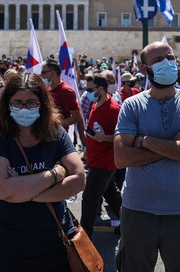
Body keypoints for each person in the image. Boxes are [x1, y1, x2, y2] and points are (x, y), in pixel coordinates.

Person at [113, 41, 180, 272]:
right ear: (145, 70)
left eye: (170, 57)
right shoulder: (131, 105)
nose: (167, 63)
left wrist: (144, 141)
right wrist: (175, 147)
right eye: (158, 60)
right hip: (137, 210)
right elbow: (121, 158)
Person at [0, 72, 85, 272]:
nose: (24, 108)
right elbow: (4, 191)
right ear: (7, 104)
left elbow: (79, 180)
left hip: (56, 247)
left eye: (31, 102)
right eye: (17, 102)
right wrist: (55, 174)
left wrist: (24, 190)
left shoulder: (56, 133)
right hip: (8, 250)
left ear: (42, 104)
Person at [80, 74, 122, 238]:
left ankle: (84, 237)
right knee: (111, 194)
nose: (87, 92)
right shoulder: (95, 103)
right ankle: (129, 223)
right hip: (96, 160)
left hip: (105, 162)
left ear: (101, 89)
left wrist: (104, 138)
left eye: (90, 89)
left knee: (89, 198)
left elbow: (123, 137)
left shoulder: (114, 109)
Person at [41, 58, 82, 132]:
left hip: (57, 136)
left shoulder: (66, 91)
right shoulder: (47, 89)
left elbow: (77, 117)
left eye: (44, 72)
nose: (42, 75)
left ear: (52, 73)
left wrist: (59, 125)